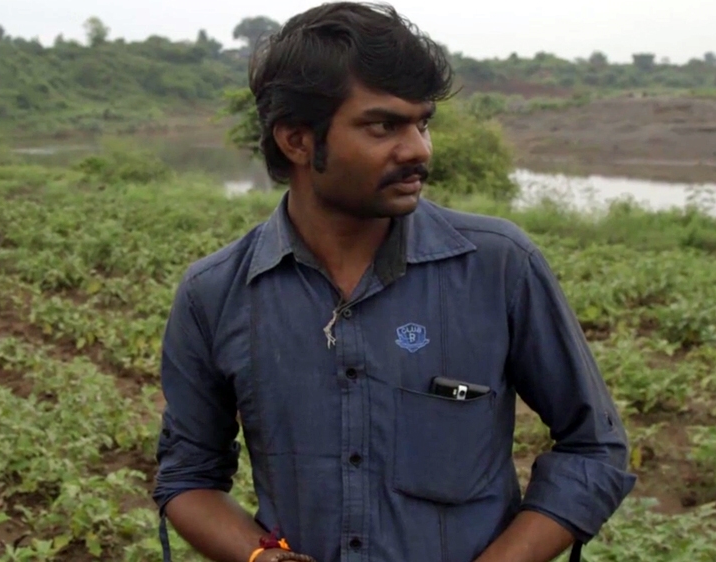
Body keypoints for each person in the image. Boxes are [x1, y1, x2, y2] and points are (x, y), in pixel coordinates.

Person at [152, 3, 637, 562]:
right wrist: (264, 558)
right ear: (297, 141)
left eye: (422, 123)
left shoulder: (499, 266)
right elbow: (187, 475)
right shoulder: (215, 294)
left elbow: (593, 448)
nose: (418, 150)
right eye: (383, 126)